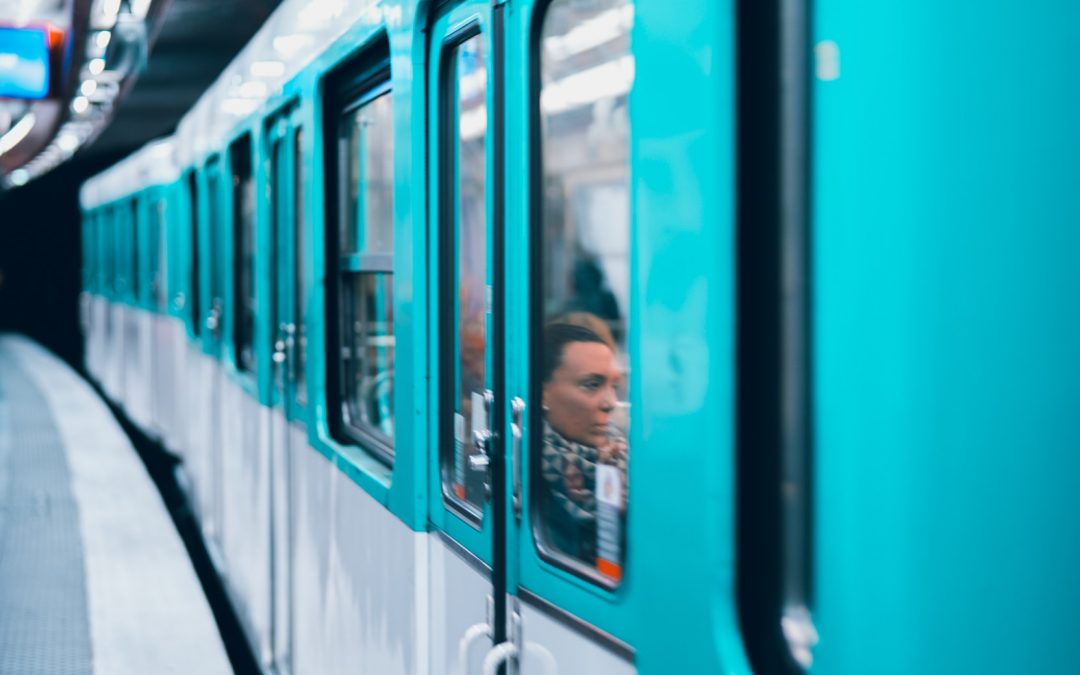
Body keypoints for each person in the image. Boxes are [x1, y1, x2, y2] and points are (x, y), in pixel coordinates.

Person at [539, 320, 628, 571]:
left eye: (614, 387)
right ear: (542, 393)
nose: (610, 403)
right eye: (592, 385)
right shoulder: (524, 474)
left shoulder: (621, 462)